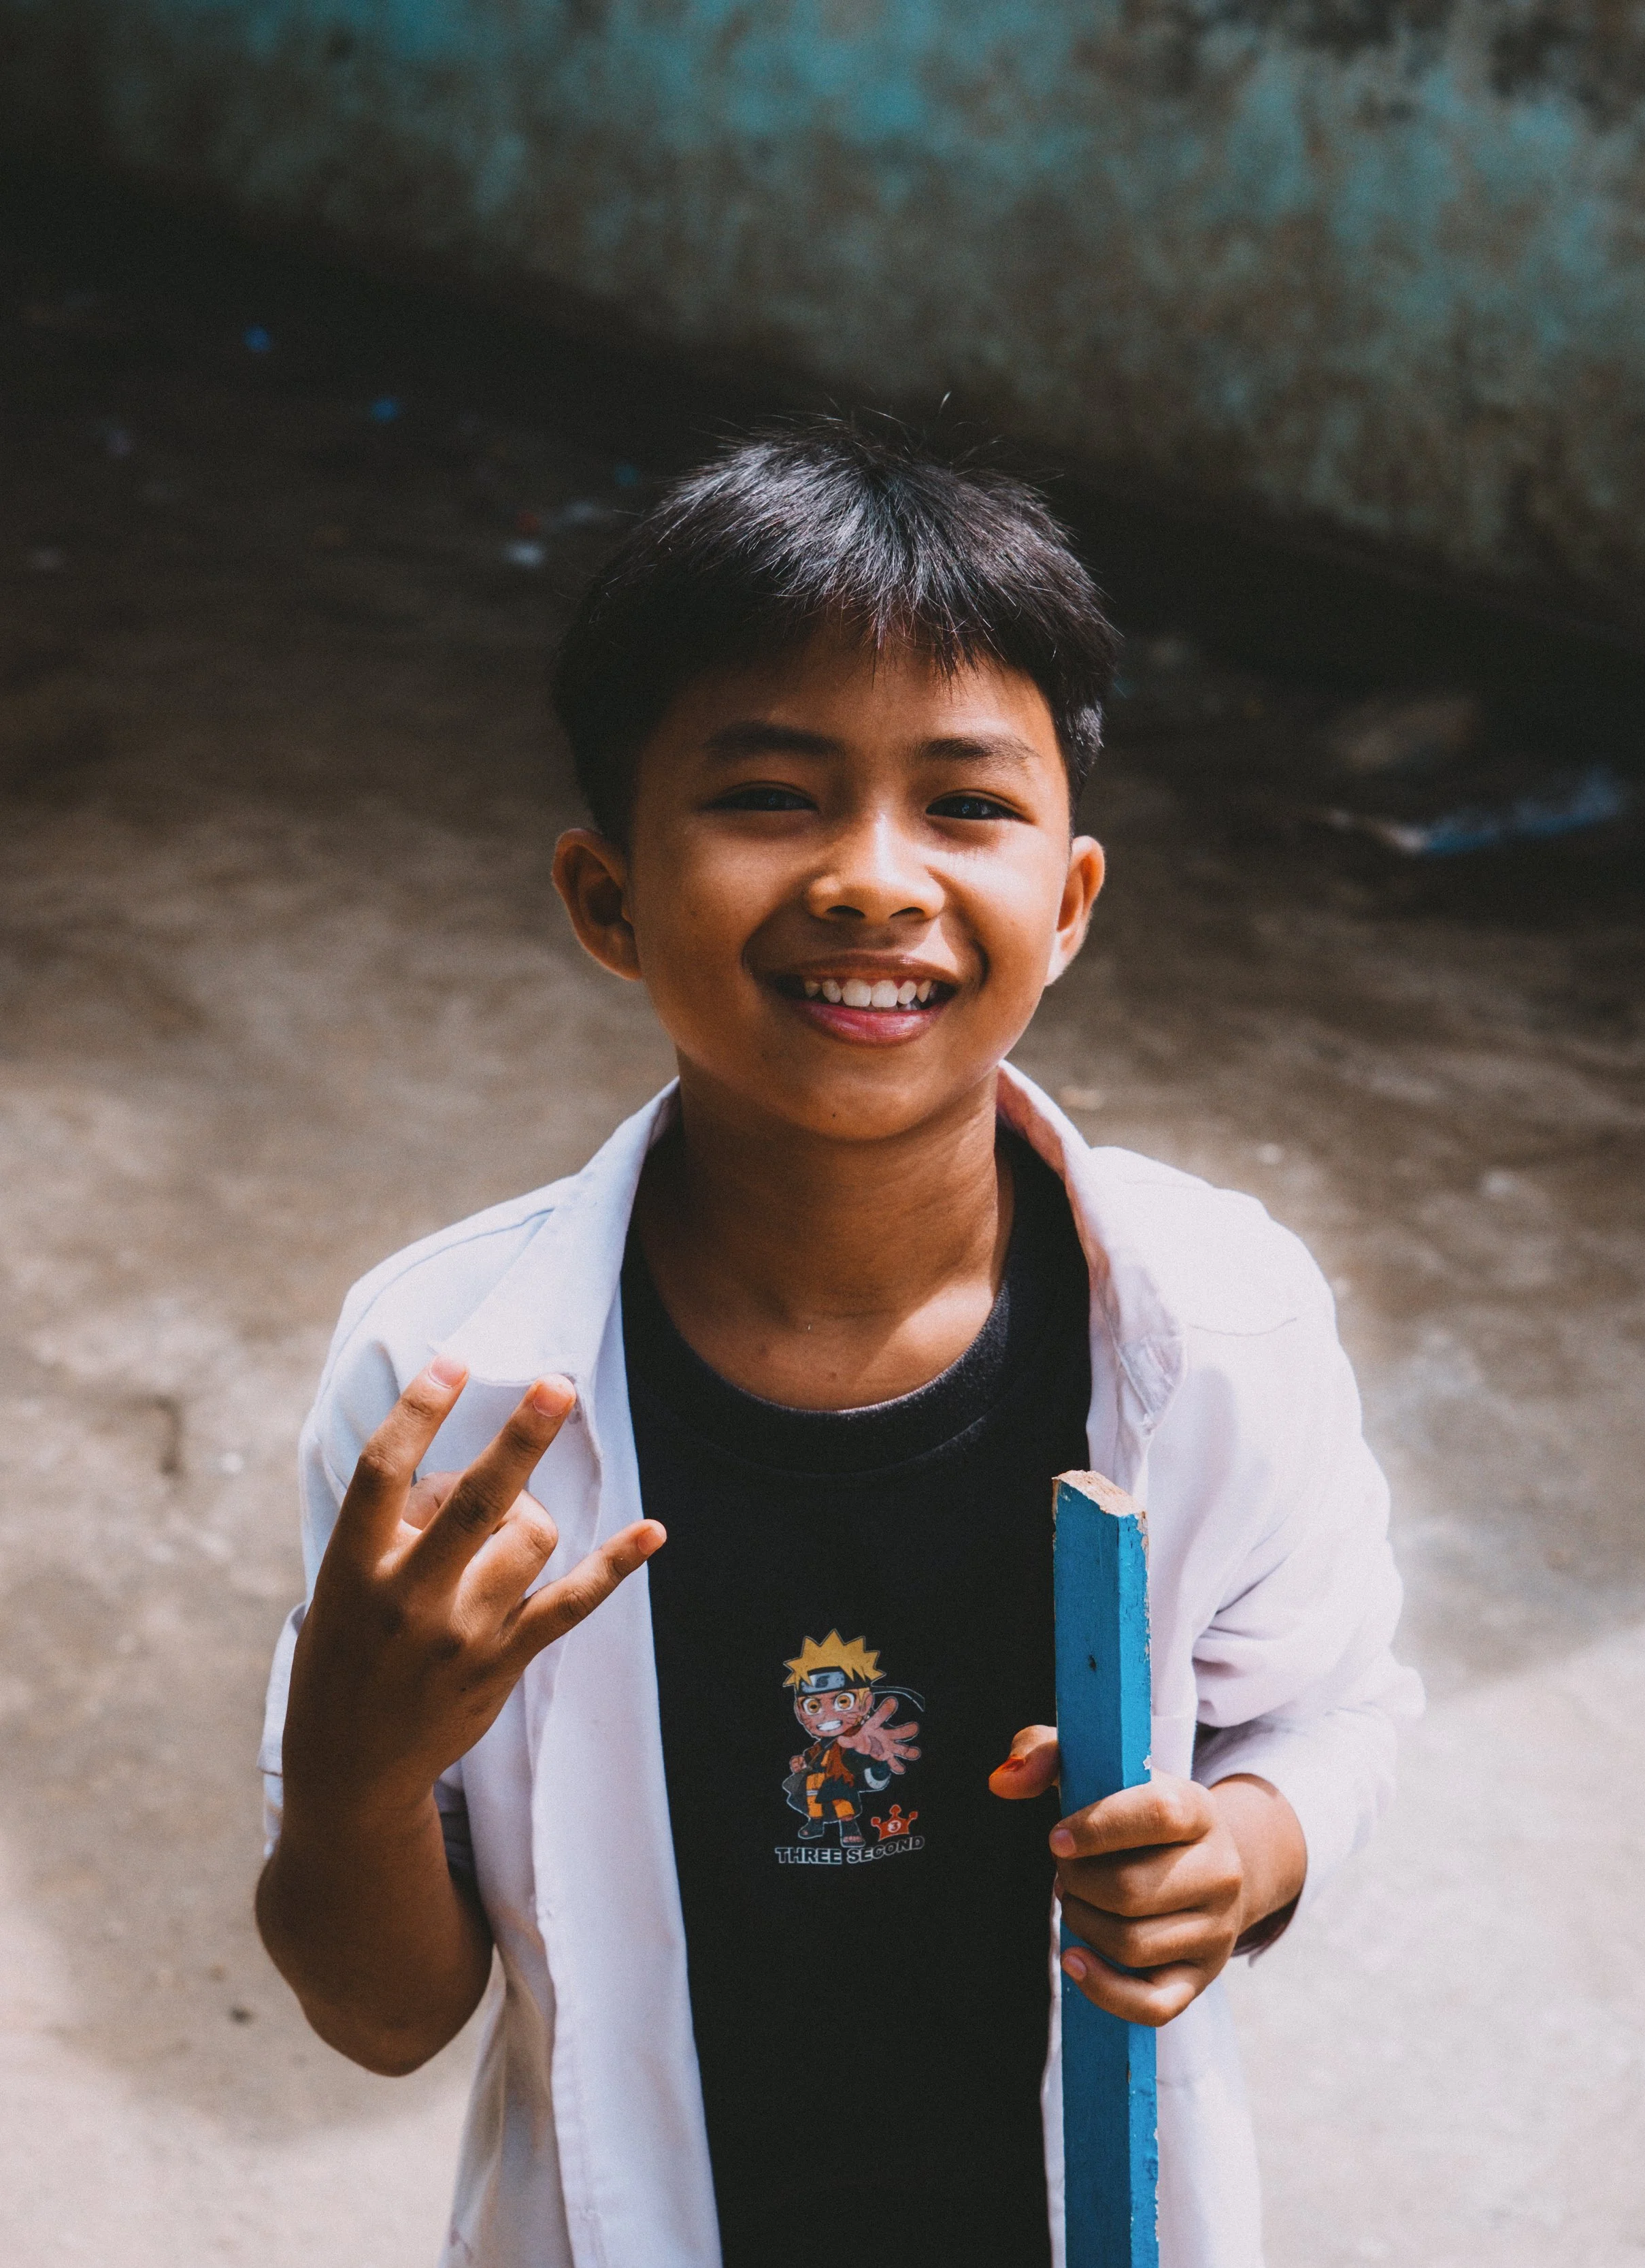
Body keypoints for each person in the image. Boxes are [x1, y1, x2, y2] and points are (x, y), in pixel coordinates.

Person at [256, 421, 1420, 2268]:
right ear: (604, 899)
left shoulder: (1224, 1322)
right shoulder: (447, 1383)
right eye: (770, 794)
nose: (874, 877)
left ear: (1072, 900)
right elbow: (390, 2009)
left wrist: (1249, 1845)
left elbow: (1334, 1706)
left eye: (963, 803)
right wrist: (350, 1774)